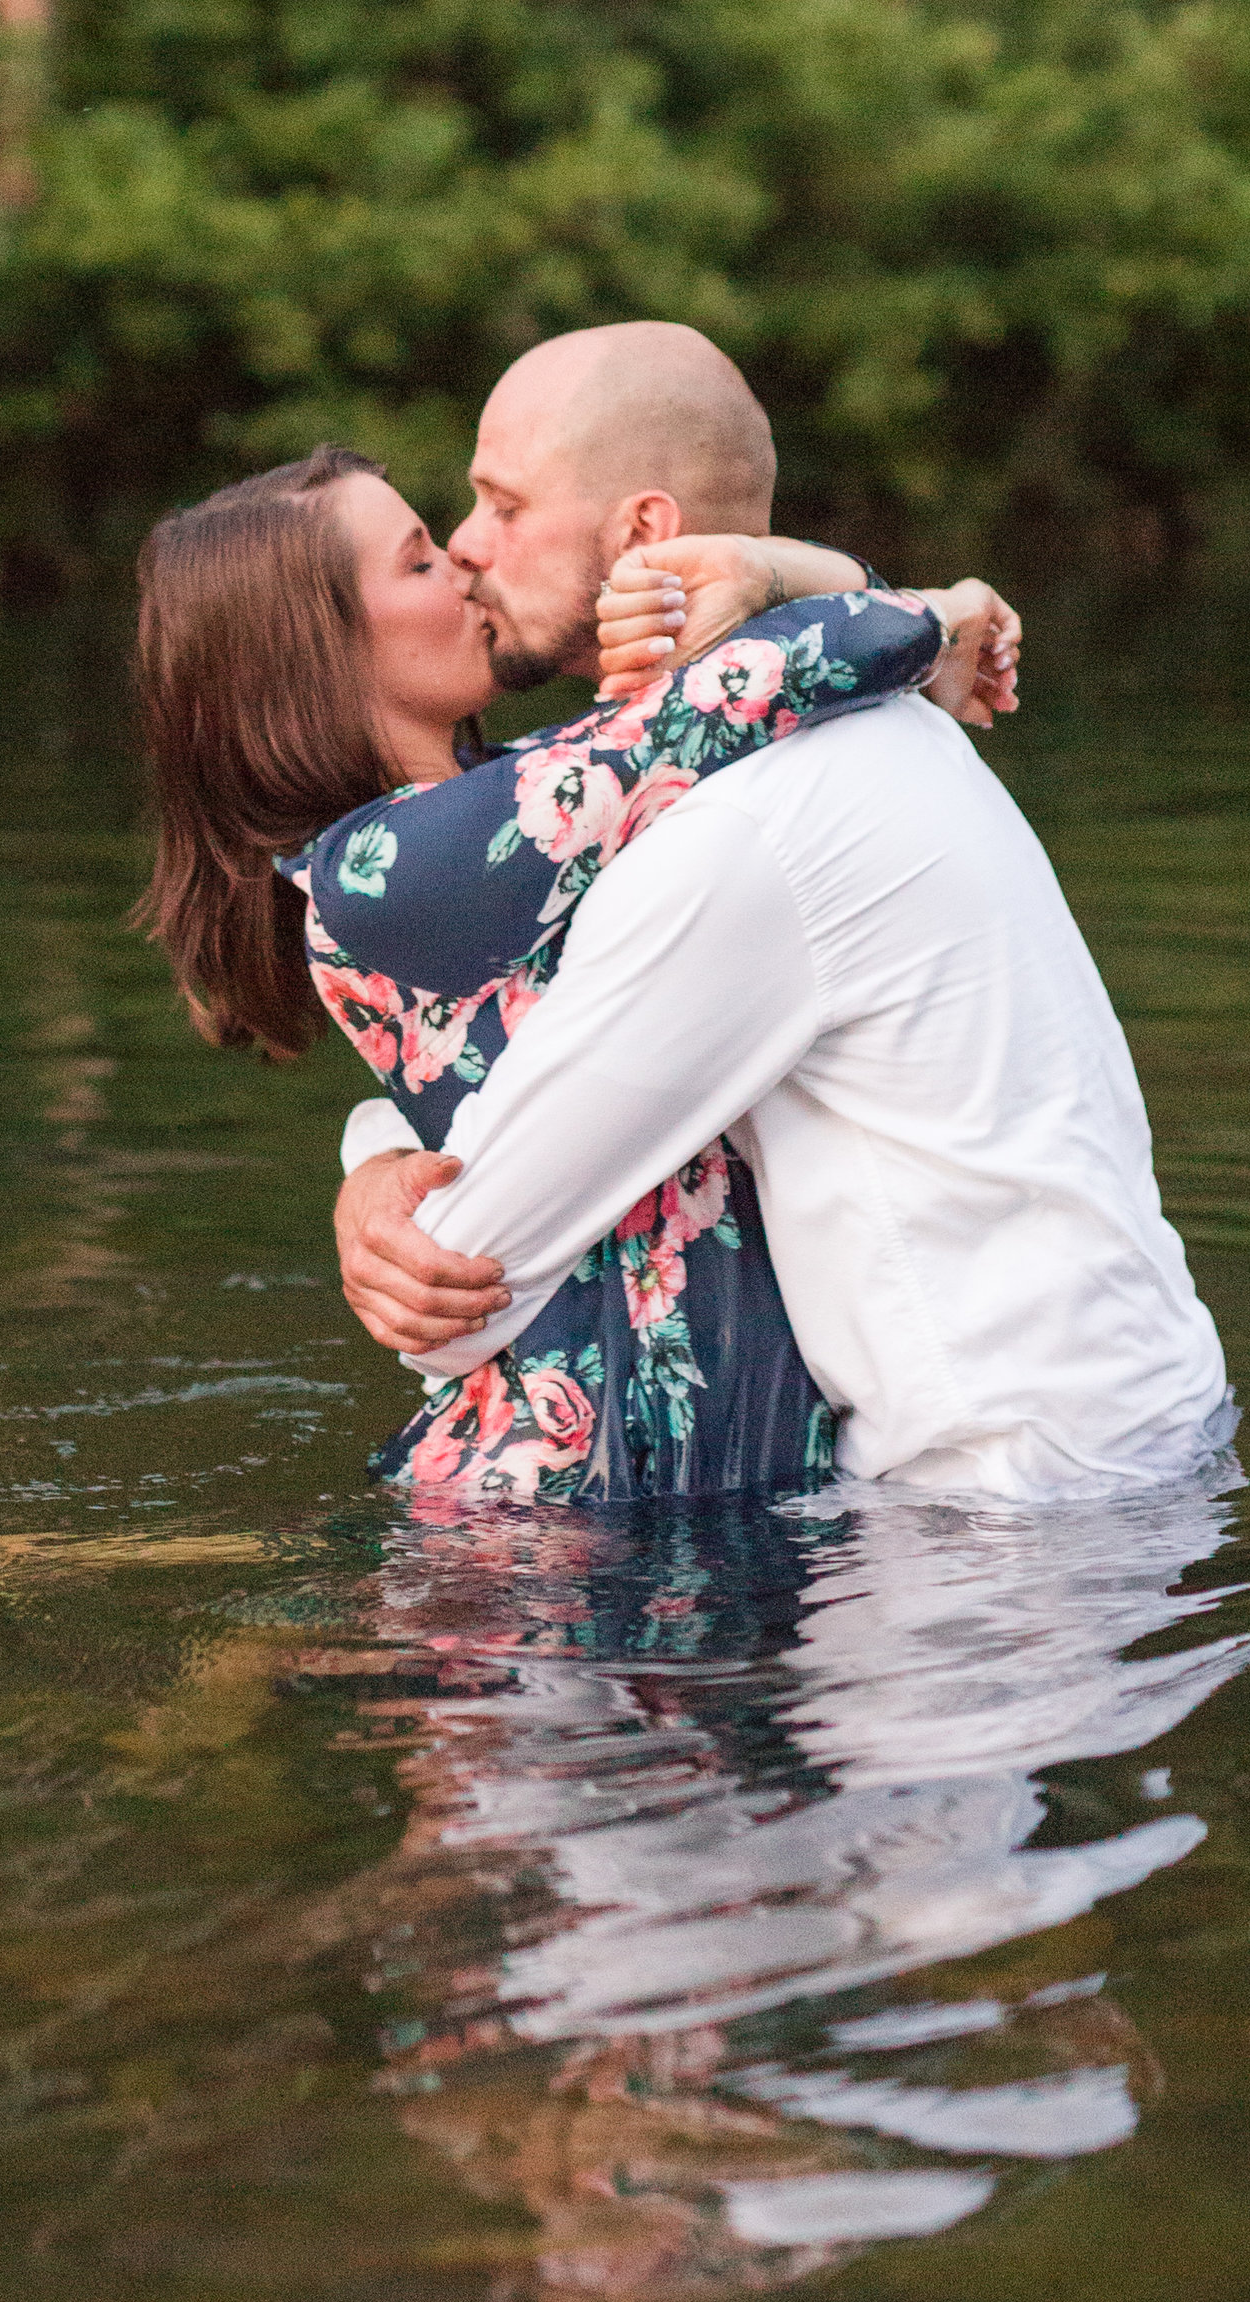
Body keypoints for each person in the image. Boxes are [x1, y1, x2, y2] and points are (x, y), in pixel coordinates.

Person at [335, 321, 1232, 1503]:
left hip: (1011, 1505)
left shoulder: (743, 829)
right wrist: (376, 1144)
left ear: (644, 536)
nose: (465, 544)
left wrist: (382, 1172)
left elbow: (459, 1285)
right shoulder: (844, 720)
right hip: (1120, 1432)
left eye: (502, 504)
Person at [132, 436, 1014, 1502]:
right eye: (418, 562)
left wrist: (370, 1157)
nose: (462, 564)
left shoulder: (516, 806)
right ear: (313, 656)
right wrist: (947, 609)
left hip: (690, 1475)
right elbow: (793, 663)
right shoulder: (390, 868)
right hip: (560, 1498)